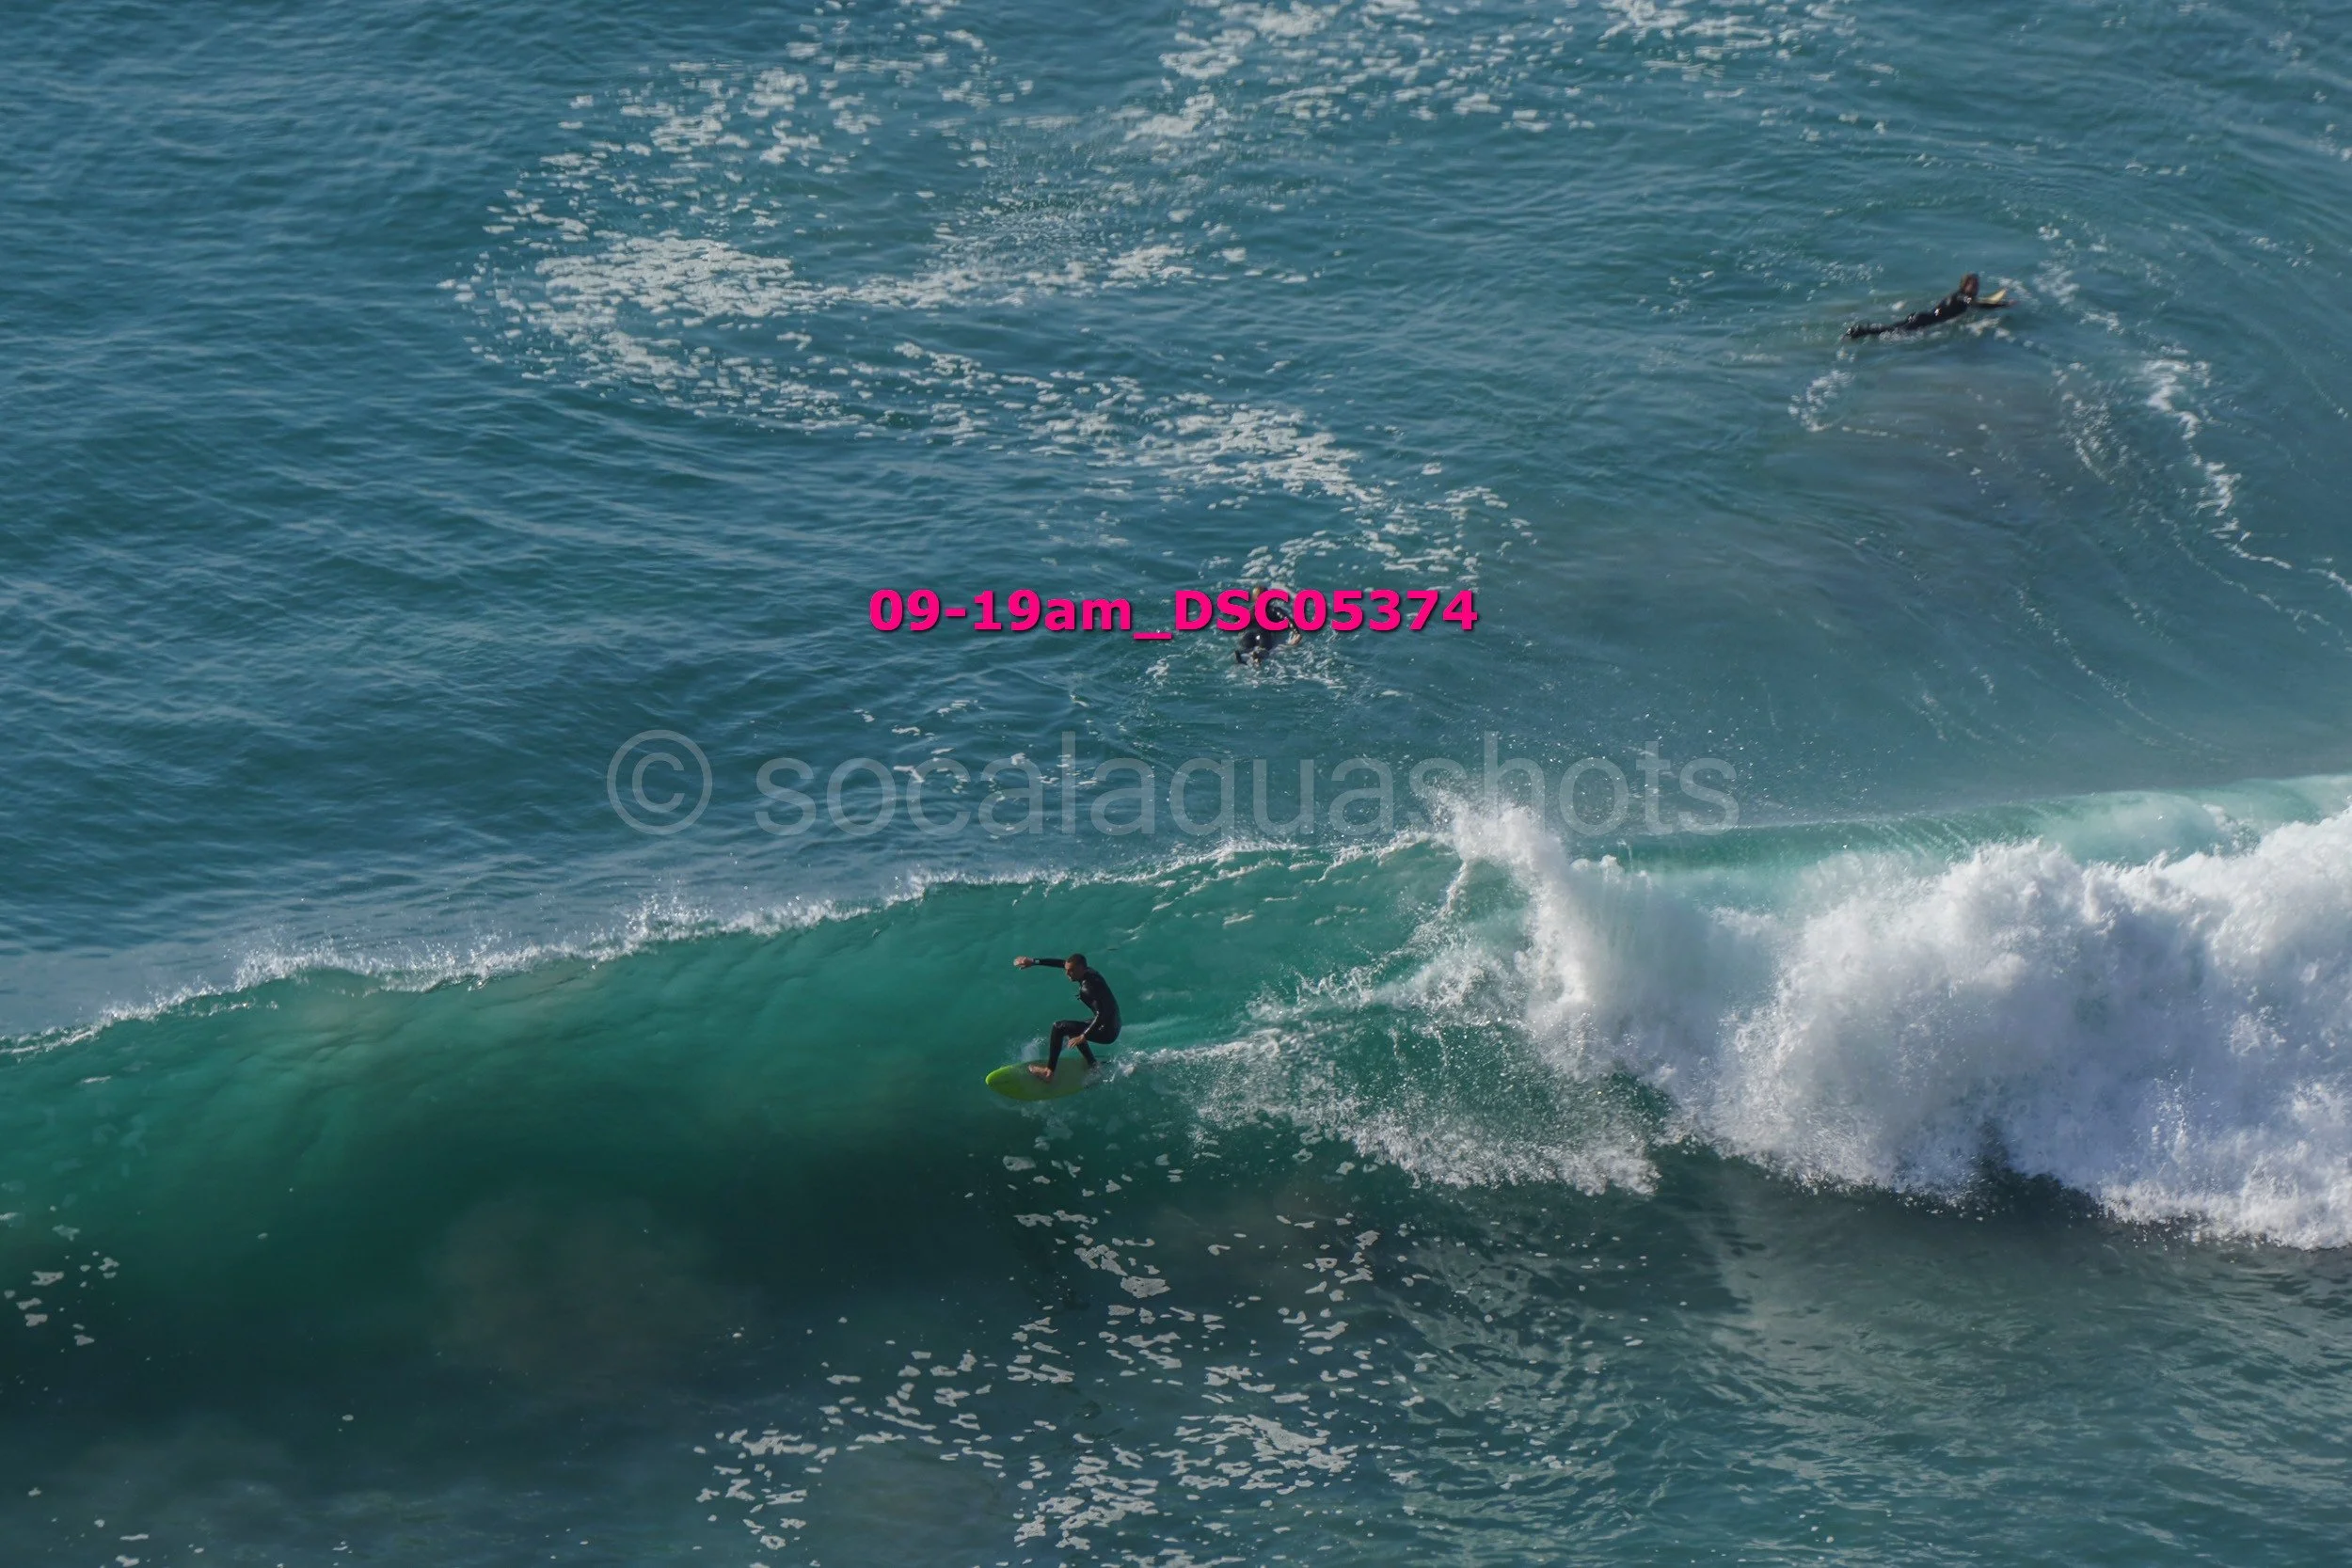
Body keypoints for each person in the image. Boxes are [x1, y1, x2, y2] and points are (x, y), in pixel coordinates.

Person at [1013, 952, 1121, 1079]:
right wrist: (1033, 961)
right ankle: (1093, 1064)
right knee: (1071, 1029)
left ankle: (1048, 1072)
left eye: (1071, 971)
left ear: (1081, 968)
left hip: (1107, 1031)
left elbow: (1102, 1014)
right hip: (1113, 1023)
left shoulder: (1087, 989)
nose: (1067, 974)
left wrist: (1084, 1036)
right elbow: (1061, 963)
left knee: (1058, 1027)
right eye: (1067, 970)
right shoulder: (1090, 972)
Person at [1844, 273, 2010, 340]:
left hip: (1923, 317)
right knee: (1892, 332)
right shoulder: (1962, 297)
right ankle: (1860, 331)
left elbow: (1978, 303)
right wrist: (2003, 305)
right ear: (1964, 286)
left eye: (1977, 285)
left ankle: (1861, 331)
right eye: (1972, 285)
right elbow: (1976, 304)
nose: (1975, 287)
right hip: (1924, 320)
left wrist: (1990, 303)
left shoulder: (1960, 296)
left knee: (1892, 329)